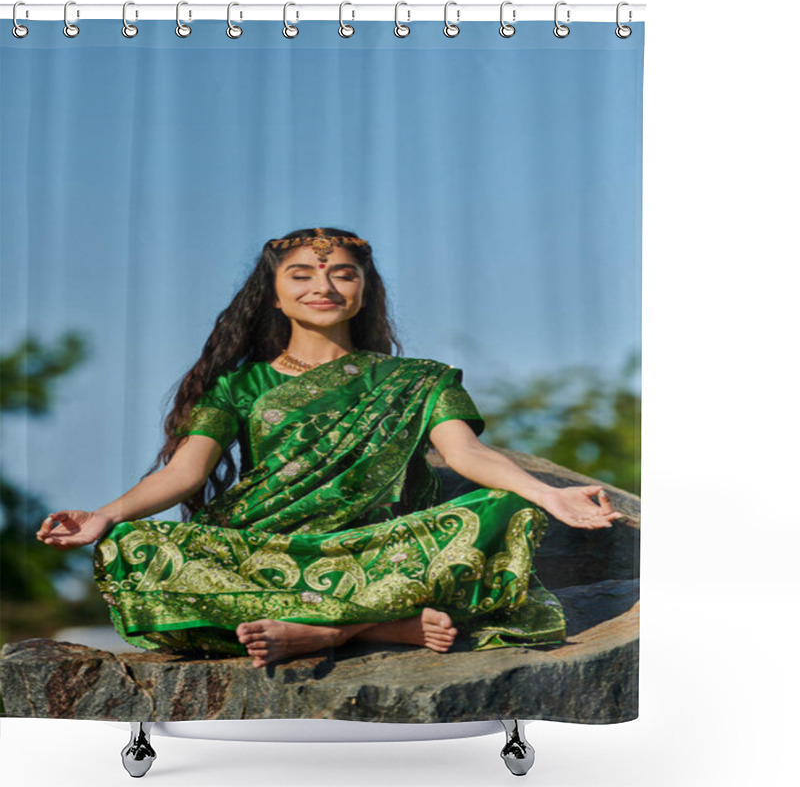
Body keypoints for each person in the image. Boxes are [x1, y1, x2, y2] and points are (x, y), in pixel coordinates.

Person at [36, 227, 622, 669]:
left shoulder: (417, 379)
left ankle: (330, 631)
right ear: (274, 294)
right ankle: (373, 627)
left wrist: (551, 496)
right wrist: (105, 515)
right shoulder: (240, 384)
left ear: (364, 291)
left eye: (343, 274)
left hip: (375, 547)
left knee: (507, 509)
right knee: (137, 546)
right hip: (260, 549)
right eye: (301, 275)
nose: (323, 286)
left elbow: (467, 456)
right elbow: (185, 473)